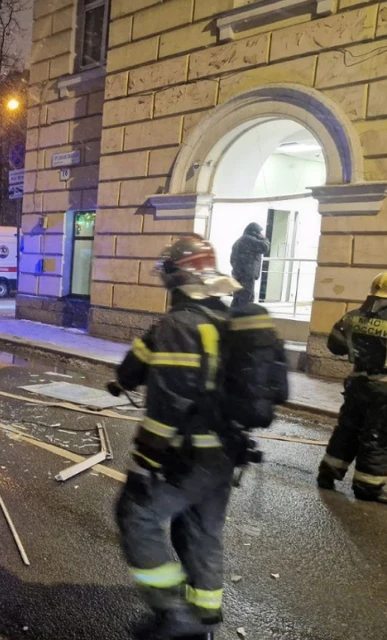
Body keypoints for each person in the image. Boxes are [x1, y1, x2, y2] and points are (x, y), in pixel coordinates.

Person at [114, 236, 244, 640]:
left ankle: (174, 614)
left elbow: (168, 403)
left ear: (180, 275)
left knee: (136, 515)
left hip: (186, 454)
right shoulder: (231, 321)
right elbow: (135, 368)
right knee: (200, 531)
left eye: (169, 274)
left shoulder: (178, 325)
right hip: (226, 454)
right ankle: (205, 618)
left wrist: (147, 461)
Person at [317, 270, 387, 507]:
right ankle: (368, 486)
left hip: (358, 384)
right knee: (379, 437)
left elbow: (335, 346)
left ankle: (328, 473)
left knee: (347, 430)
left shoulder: (352, 317)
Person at [229, 223, 270, 308]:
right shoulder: (249, 240)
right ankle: (242, 318)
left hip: (238, 274)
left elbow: (232, 260)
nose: (260, 234)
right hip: (247, 275)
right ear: (254, 232)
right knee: (247, 298)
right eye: (259, 232)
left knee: (237, 298)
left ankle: (232, 316)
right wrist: (264, 238)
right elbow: (264, 247)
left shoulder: (239, 241)